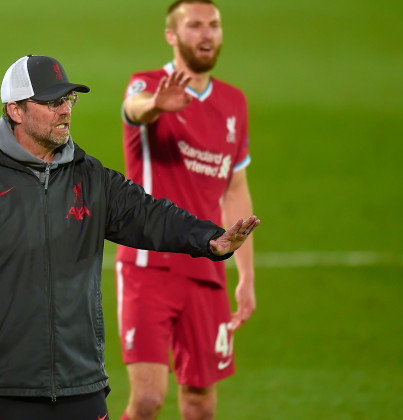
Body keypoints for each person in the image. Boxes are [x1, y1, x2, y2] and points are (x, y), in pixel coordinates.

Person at [0, 54, 260, 420]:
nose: (65, 109)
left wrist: (210, 240)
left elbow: (149, 215)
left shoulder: (91, 177)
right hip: (0, 388)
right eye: (51, 102)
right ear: (16, 110)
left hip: (82, 385)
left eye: (68, 99)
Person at [114, 1, 256, 419]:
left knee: (201, 403)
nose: (207, 33)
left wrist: (245, 275)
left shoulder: (234, 102)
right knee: (147, 400)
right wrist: (158, 105)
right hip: (149, 266)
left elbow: (236, 189)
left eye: (214, 25)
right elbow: (134, 108)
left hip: (208, 269)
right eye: (194, 25)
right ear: (172, 36)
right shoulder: (148, 84)